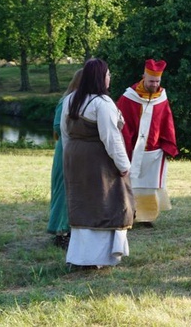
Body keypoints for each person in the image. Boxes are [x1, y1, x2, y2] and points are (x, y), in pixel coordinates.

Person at [61, 58, 134, 268]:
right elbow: (111, 138)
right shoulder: (102, 103)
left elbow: (66, 133)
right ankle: (96, 258)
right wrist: (123, 165)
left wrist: (71, 156)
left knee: (82, 202)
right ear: (100, 78)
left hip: (74, 157)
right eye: (108, 74)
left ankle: (80, 256)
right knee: (106, 202)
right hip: (97, 160)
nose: (110, 78)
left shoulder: (71, 99)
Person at [117, 59, 178, 227]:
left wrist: (167, 144)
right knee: (132, 184)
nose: (155, 84)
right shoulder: (128, 97)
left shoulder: (162, 97)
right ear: (144, 77)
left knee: (150, 187)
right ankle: (131, 214)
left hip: (154, 150)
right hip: (133, 150)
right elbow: (121, 123)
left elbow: (167, 121)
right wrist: (124, 147)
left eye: (157, 81)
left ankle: (148, 217)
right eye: (152, 81)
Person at [48, 68, 82, 249]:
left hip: (75, 148)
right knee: (63, 191)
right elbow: (57, 125)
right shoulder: (67, 101)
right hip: (66, 148)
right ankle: (60, 231)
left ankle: (70, 229)